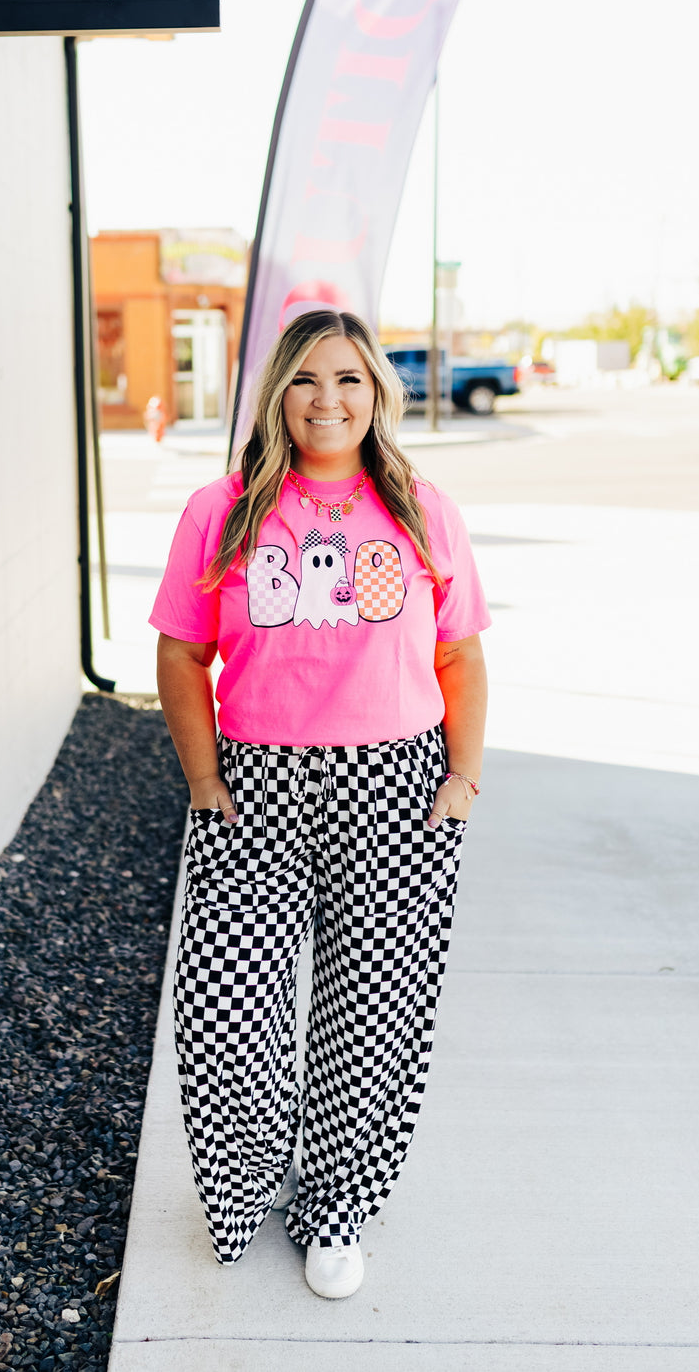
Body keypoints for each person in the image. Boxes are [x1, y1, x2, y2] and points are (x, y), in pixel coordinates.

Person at [150, 307, 490, 1299]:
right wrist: (205, 779)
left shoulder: (425, 510)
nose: (326, 400)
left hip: (395, 788)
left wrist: (461, 780)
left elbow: (461, 653)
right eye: (305, 379)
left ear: (376, 391)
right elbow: (180, 650)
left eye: (347, 379)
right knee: (229, 1014)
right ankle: (242, 1192)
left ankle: (334, 1206)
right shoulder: (223, 511)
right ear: (277, 394)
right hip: (252, 784)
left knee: (369, 1015)